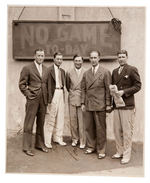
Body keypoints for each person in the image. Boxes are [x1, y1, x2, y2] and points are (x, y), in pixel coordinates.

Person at [111, 49, 141, 164]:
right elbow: (114, 86)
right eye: (119, 57)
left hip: (127, 105)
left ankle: (126, 155)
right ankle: (119, 151)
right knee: (117, 130)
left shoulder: (132, 69)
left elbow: (138, 86)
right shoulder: (114, 71)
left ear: (127, 57)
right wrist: (112, 91)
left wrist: (124, 92)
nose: (121, 59)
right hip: (117, 105)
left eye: (123, 56)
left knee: (127, 131)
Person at [81, 51, 112, 159]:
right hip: (89, 104)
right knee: (89, 127)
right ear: (89, 59)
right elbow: (83, 89)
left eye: (95, 57)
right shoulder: (86, 73)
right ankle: (91, 146)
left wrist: (108, 104)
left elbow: (108, 90)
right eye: (91, 58)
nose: (93, 60)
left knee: (100, 128)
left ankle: (101, 149)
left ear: (99, 58)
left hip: (100, 104)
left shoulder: (105, 72)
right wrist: (82, 103)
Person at [19, 48, 48, 156]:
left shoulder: (46, 69)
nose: (40, 57)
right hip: (32, 100)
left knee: (41, 123)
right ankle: (26, 147)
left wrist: (47, 98)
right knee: (29, 123)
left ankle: (39, 144)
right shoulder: (27, 68)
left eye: (42, 56)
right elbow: (22, 84)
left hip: (43, 100)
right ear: (34, 56)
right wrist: (28, 94)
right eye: (39, 55)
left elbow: (46, 84)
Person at [44, 52, 67, 148]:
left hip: (61, 93)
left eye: (61, 59)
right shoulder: (48, 70)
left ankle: (58, 138)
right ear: (54, 59)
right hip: (53, 94)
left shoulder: (62, 71)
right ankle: (47, 140)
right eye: (58, 59)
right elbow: (45, 85)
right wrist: (48, 99)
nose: (59, 61)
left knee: (60, 117)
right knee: (50, 117)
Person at [66, 55, 86, 149]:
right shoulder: (69, 72)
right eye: (76, 60)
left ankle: (83, 140)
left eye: (80, 60)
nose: (78, 62)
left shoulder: (86, 72)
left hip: (82, 98)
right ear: (73, 61)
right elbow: (67, 85)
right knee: (73, 120)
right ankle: (75, 139)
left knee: (82, 121)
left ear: (82, 61)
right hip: (72, 97)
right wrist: (72, 93)